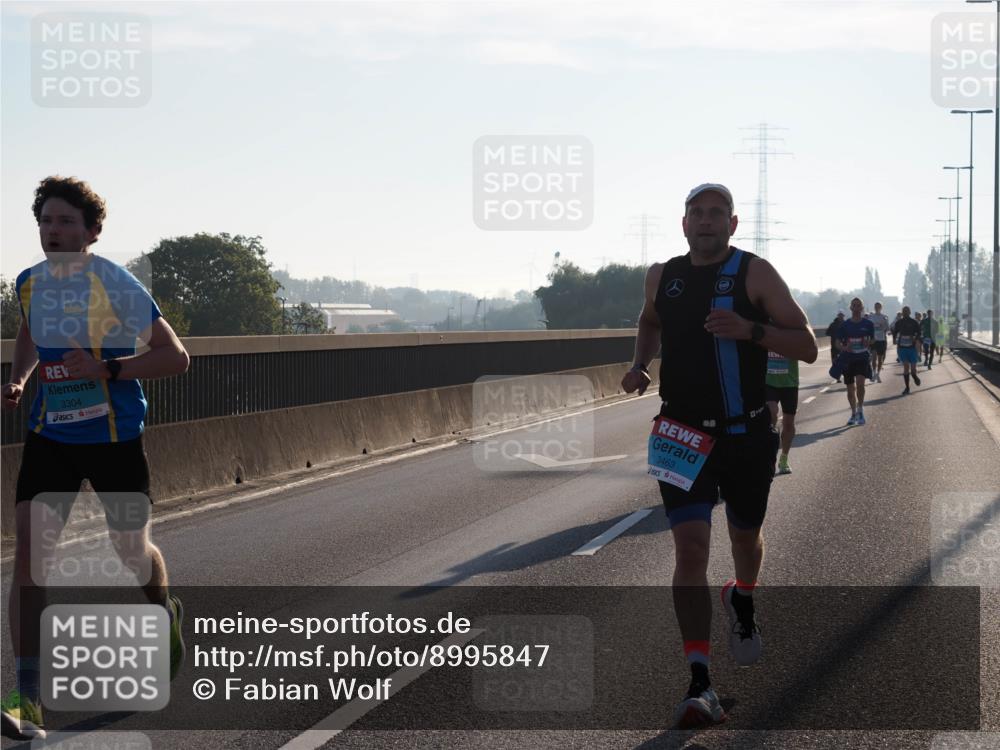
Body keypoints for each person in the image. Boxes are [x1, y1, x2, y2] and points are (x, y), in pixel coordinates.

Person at [621, 183, 817, 729]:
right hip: (680, 434)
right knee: (690, 548)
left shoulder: (755, 273)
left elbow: (805, 344)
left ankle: (743, 595)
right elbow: (650, 320)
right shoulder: (662, 275)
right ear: (683, 223)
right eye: (696, 213)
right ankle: (700, 681)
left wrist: (751, 330)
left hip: (747, 434)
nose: (705, 221)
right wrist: (639, 364)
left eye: (716, 214)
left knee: (744, 539)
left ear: (731, 225)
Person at [1, 177, 190, 741]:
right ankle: (27, 696)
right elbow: (29, 335)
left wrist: (108, 370)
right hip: (50, 437)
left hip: (114, 440)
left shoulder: (117, 284)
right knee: (30, 558)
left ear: (90, 232)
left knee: (131, 550)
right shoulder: (30, 283)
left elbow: (174, 358)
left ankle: (161, 616)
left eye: (64, 223)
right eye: (45, 222)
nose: (52, 232)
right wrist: (18, 378)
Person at [837, 297, 874, 425]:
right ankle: (853, 414)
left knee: (860, 384)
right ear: (851, 308)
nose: (856, 308)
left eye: (859, 305)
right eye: (854, 305)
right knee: (850, 389)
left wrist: (868, 342)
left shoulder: (868, 324)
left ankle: (860, 409)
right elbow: (837, 343)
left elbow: (873, 340)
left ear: (862, 308)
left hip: (862, 357)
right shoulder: (845, 325)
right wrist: (844, 347)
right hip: (848, 359)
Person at [765, 350, 798, 475]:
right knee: (771, 412)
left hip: (789, 383)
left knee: (788, 423)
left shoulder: (792, 330)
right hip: (768, 381)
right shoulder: (765, 330)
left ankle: (784, 458)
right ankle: (769, 457)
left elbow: (805, 351)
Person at [891, 306, 922, 395]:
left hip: (912, 348)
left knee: (912, 370)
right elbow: (895, 331)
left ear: (909, 312)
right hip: (902, 348)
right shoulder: (899, 322)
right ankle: (907, 388)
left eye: (907, 311)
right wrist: (894, 339)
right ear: (902, 312)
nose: (905, 312)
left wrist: (915, 338)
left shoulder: (914, 322)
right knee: (905, 368)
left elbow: (919, 333)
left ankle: (915, 376)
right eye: (904, 311)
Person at [865, 302, 890, 383]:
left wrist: (881, 330)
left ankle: (878, 374)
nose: (877, 308)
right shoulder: (871, 317)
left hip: (881, 340)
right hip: (874, 340)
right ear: (874, 307)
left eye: (878, 306)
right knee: (874, 358)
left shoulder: (884, 317)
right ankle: (874, 373)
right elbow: (868, 328)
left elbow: (887, 328)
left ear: (881, 307)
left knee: (880, 359)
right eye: (876, 306)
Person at [825, 311, 845, 383]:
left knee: (843, 361)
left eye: (842, 315)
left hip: (843, 346)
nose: (841, 316)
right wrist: (833, 334)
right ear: (838, 316)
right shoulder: (833, 324)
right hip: (834, 345)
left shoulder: (846, 324)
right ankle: (837, 376)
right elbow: (827, 333)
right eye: (840, 315)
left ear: (844, 316)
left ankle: (844, 374)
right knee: (835, 361)